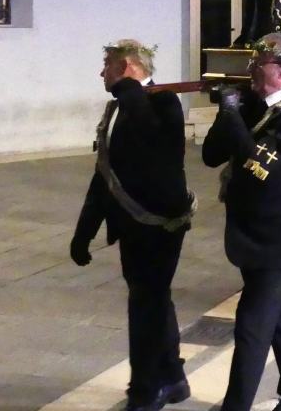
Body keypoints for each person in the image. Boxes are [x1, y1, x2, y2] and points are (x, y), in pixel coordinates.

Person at [202, 34, 281, 411]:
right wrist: (228, 112)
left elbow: (262, 168)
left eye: (258, 66)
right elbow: (212, 155)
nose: (250, 72)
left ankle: (236, 406)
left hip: (277, 240)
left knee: (252, 325)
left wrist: (232, 115)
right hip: (248, 232)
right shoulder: (253, 107)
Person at [71, 40, 194, 411]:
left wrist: (128, 89)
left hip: (159, 226)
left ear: (126, 66)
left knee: (146, 306)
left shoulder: (164, 102)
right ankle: (172, 377)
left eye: (107, 65)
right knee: (154, 301)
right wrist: (84, 231)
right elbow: (105, 174)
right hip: (131, 225)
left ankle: (146, 389)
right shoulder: (119, 108)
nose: (101, 73)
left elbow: (153, 140)